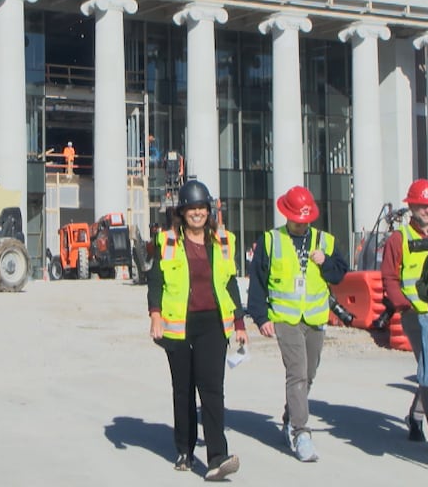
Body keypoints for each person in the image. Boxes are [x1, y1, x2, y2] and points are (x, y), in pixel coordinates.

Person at [146, 180, 245, 480]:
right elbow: (155, 281)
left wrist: (239, 323)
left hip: (214, 324)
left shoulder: (223, 241)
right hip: (178, 326)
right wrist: (155, 316)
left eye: (202, 208)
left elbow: (230, 283)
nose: (197, 213)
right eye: (192, 208)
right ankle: (185, 450)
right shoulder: (168, 241)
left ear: (209, 210)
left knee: (212, 390)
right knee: (183, 390)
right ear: (183, 212)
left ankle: (217, 456)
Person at [247, 185, 350, 463]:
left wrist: (325, 261)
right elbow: (257, 281)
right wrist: (261, 317)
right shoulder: (271, 240)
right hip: (284, 317)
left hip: (315, 318)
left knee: (309, 374)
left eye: (306, 220)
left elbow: (341, 274)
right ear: (287, 214)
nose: (302, 225)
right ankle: (301, 432)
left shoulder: (325, 241)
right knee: (297, 372)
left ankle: (288, 417)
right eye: (297, 220)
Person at [381, 179, 428, 452]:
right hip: (414, 315)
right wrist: (403, 305)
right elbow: (389, 277)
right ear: (411, 206)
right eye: (422, 205)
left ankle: (416, 416)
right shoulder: (399, 239)